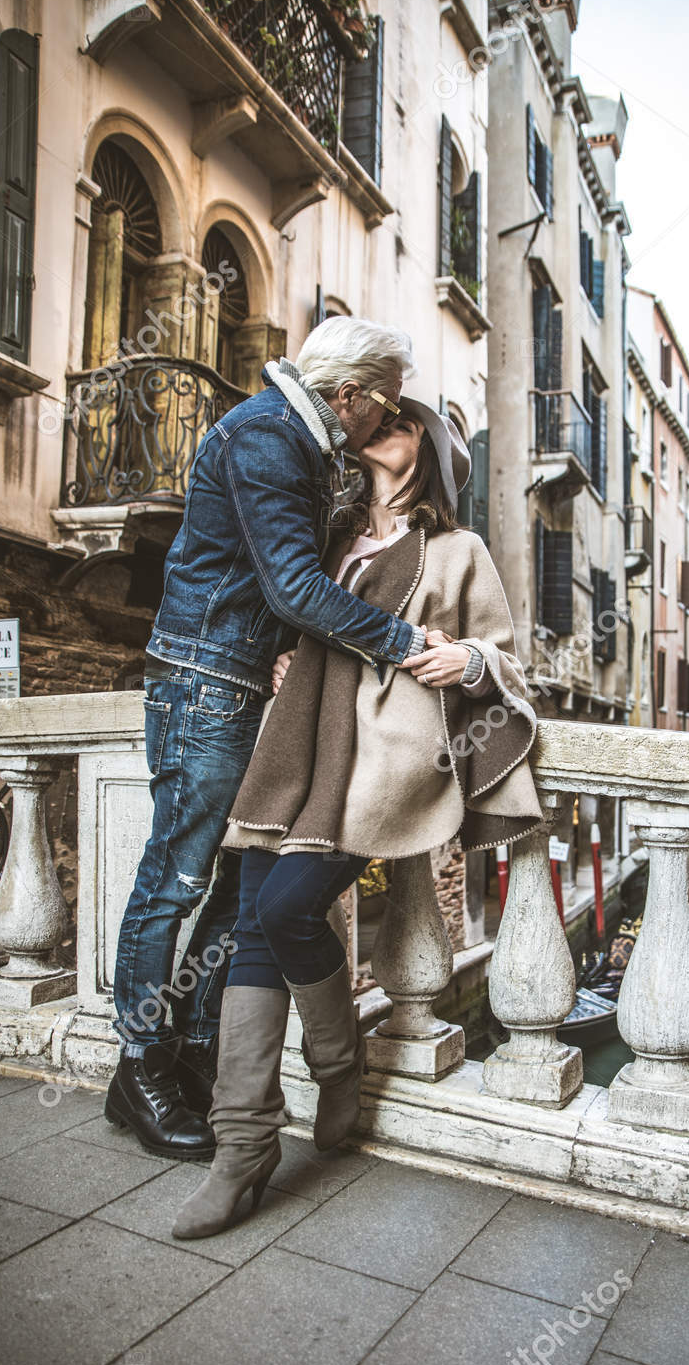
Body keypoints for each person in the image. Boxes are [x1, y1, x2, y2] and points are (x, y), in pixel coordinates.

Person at [172, 397, 543, 1239]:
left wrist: (470, 657)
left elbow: (509, 657)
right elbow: (297, 616)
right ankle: (245, 1148)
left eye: (400, 420)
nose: (378, 422)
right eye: (371, 415)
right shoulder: (329, 539)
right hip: (298, 750)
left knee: (278, 908)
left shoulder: (459, 549)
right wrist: (285, 665)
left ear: (432, 448)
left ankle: (334, 1073)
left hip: (381, 763)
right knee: (258, 926)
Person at [106, 318, 441, 1161]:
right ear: (350, 396)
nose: (387, 418)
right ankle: (140, 1067)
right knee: (175, 880)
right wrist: (406, 644)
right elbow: (292, 587)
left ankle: (191, 1051)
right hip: (203, 682)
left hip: (238, 681)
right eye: (387, 403)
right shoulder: (267, 437)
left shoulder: (299, 440)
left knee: (233, 888)